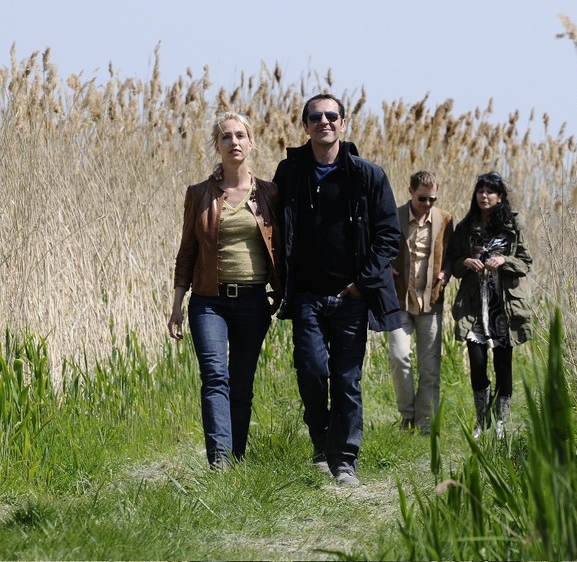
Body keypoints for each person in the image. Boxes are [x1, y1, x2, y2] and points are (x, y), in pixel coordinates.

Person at [273, 94, 401, 487]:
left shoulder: (367, 175)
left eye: (332, 116)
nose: (324, 121)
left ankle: (344, 461)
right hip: (307, 296)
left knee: (347, 379)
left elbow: (389, 236)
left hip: (351, 298)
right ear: (305, 125)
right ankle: (321, 443)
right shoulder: (290, 172)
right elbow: (272, 225)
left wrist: (363, 284)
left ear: (343, 123)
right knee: (311, 372)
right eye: (315, 116)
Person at [167, 111, 282, 469]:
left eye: (240, 135)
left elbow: (283, 246)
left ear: (251, 143)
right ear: (217, 146)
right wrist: (176, 306)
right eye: (226, 137)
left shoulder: (269, 193)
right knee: (215, 376)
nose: (234, 142)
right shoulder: (199, 194)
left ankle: (237, 457)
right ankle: (220, 462)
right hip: (208, 302)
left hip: (253, 301)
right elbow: (186, 252)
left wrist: (284, 291)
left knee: (242, 382)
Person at [448, 171, 532, 439]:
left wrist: (505, 261)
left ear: (500, 197)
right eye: (480, 191)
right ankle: (481, 420)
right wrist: (464, 262)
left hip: (503, 305)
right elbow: (453, 263)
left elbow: (525, 262)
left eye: (490, 191)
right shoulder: (466, 226)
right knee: (477, 363)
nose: (484, 196)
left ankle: (500, 423)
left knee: (503, 365)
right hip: (474, 306)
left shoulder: (512, 226)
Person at [388, 171, 454, 434]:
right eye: (422, 198)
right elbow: (378, 246)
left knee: (430, 368)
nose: (428, 204)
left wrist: (446, 272)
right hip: (400, 299)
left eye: (432, 199)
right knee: (399, 357)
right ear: (410, 192)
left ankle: (426, 424)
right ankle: (407, 416)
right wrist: (385, 267)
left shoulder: (445, 219)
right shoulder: (394, 216)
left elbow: (452, 254)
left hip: (431, 301)